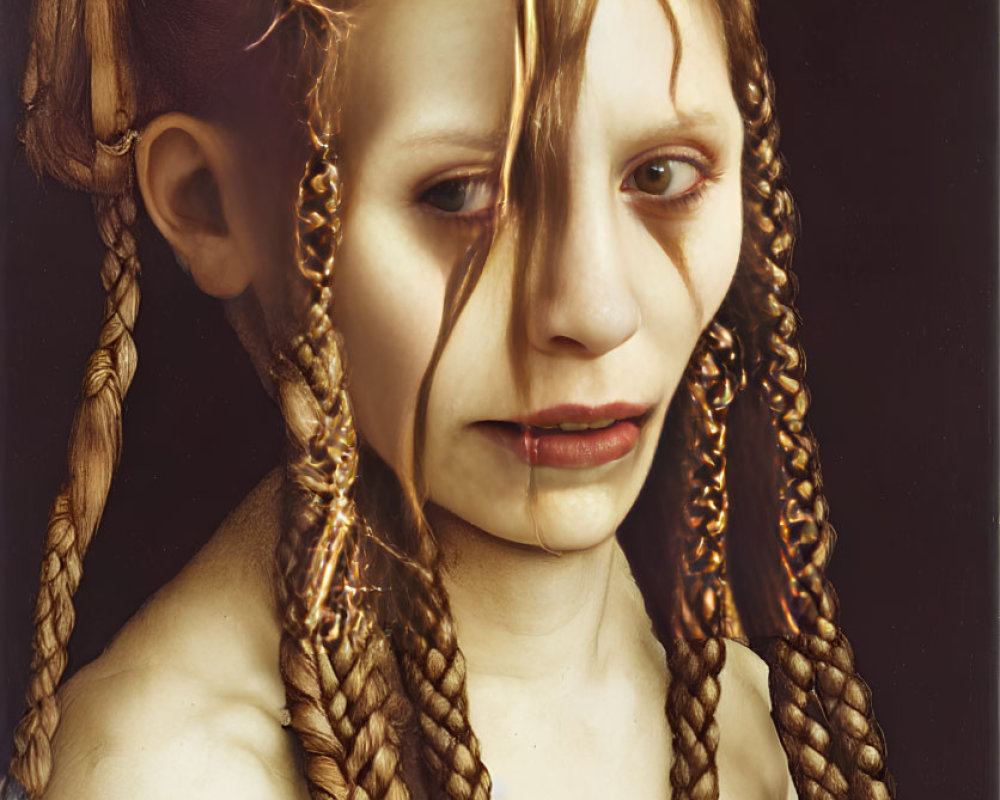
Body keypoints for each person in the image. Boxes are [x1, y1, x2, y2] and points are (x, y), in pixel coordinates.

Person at [3, 0, 895, 798]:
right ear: (207, 204)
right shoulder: (169, 778)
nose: (595, 310)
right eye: (463, 194)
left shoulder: (748, 722)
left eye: (661, 177)